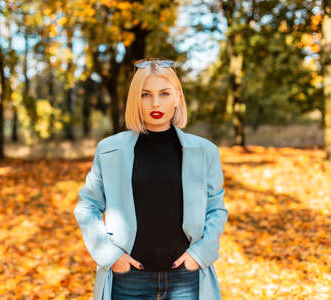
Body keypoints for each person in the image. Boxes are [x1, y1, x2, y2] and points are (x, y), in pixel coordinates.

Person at [74, 58, 228, 300]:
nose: (155, 103)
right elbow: (87, 206)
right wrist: (109, 256)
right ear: (136, 99)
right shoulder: (110, 150)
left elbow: (216, 210)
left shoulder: (204, 152)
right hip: (128, 280)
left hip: (186, 279)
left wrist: (200, 255)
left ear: (177, 97)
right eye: (145, 95)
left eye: (164, 93)